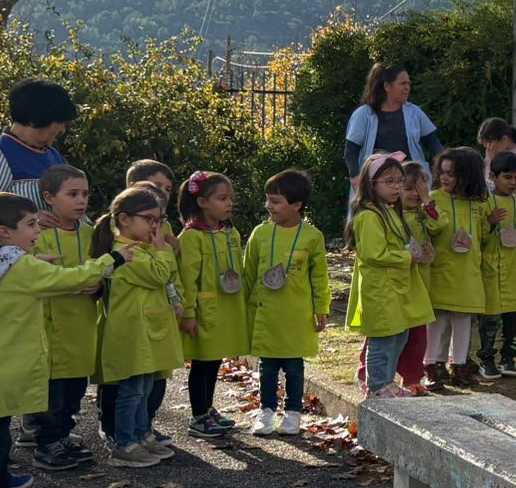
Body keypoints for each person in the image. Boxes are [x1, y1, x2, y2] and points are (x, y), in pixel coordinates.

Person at [0, 192, 116, 488]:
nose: (38, 231)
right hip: (7, 360)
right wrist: (111, 260)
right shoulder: (22, 266)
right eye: (30, 225)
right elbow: (72, 279)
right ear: (4, 232)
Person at [94, 186, 182, 465]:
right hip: (132, 332)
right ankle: (125, 444)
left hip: (146, 330)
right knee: (131, 391)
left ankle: (143, 434)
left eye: (158, 220)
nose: (155, 227)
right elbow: (159, 276)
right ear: (124, 219)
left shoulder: (144, 249)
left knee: (144, 389)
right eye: (149, 219)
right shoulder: (126, 253)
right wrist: (163, 250)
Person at [243, 169, 329, 436]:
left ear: (296, 205)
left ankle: (293, 412)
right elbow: (248, 273)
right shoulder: (260, 233)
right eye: (268, 199)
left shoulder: (312, 236)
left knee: (293, 366)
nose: (269, 206)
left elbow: (319, 277)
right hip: (266, 313)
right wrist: (241, 307)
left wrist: (321, 308)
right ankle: (266, 411)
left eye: (276, 201)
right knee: (267, 366)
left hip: (296, 314)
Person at [30, 164, 99, 471]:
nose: (80, 200)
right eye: (72, 194)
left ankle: (63, 435)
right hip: (51, 325)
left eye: (84, 194)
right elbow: (31, 274)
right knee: (52, 391)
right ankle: (47, 442)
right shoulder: (37, 235)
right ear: (49, 198)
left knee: (75, 388)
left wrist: (100, 284)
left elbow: (104, 267)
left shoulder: (91, 233)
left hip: (82, 324)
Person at [348, 154, 435, 397]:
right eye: (390, 181)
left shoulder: (389, 210)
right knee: (383, 338)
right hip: (381, 289)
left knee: (399, 334)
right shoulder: (369, 215)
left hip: (396, 287)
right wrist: (408, 257)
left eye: (399, 181)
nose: (397, 187)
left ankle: (386, 383)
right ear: (371, 183)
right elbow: (374, 253)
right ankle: (377, 386)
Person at [176, 172, 248, 439]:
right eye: (222, 198)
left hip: (227, 307)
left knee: (214, 359)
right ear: (203, 202)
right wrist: (189, 312)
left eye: (230, 198)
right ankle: (198, 416)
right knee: (202, 363)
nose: (229, 203)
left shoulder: (230, 233)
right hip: (204, 311)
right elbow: (187, 278)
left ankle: (208, 408)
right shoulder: (191, 237)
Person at [423, 147, 491, 385]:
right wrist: (427, 204)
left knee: (463, 319)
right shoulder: (433, 199)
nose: (444, 177)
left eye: (451, 174)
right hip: (442, 272)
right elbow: (433, 228)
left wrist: (491, 224)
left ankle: (460, 365)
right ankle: (430, 365)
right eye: (442, 172)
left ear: (468, 176)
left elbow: (482, 236)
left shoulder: (478, 204)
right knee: (437, 319)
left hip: (468, 273)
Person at [0, 78, 76, 207]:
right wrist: (28, 217)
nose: (62, 130)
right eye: (59, 122)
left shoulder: (55, 157)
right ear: (36, 118)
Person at [477, 152, 516, 380]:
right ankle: (487, 359)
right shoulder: (484, 203)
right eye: (507, 177)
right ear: (493, 176)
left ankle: (509, 358)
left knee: (514, 318)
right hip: (492, 272)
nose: (512, 183)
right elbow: (479, 236)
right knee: (490, 319)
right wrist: (490, 222)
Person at [344, 63, 442, 186]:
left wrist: (443, 165)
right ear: (387, 86)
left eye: (408, 84)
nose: (407, 88)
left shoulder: (414, 112)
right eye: (403, 83)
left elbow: (432, 142)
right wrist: (355, 176)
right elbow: (351, 150)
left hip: (412, 180)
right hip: (376, 182)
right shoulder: (363, 114)